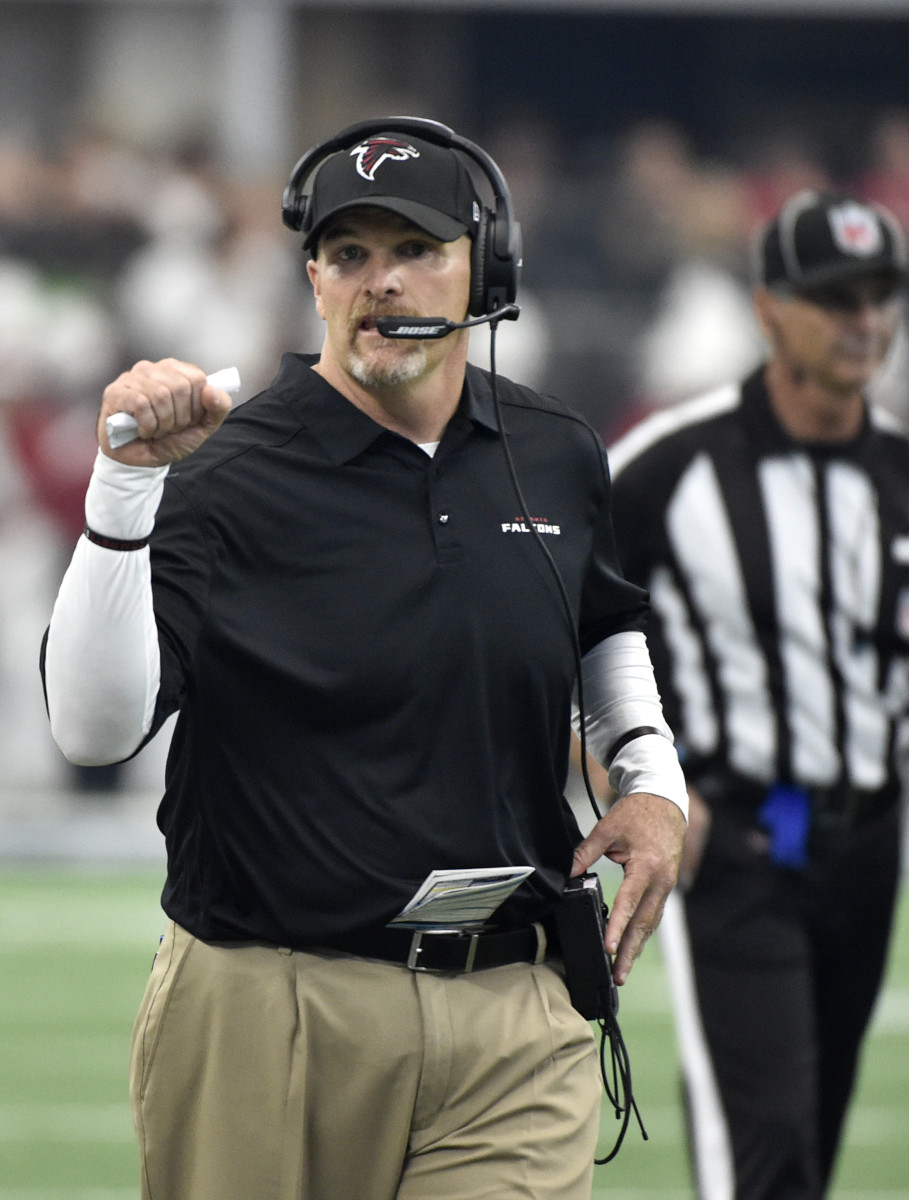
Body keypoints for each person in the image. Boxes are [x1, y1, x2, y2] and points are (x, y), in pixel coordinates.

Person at [40, 116, 687, 1200]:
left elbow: (602, 624)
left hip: (513, 1007)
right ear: (315, 279)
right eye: (350, 254)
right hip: (272, 1004)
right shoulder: (224, 473)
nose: (381, 280)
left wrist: (652, 781)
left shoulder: (555, 450)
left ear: (484, 271)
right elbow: (92, 732)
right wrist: (123, 493)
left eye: (416, 249)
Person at [607, 189, 909, 1200]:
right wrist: (635, 779)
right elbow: (552, 628)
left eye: (879, 296)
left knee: (812, 1140)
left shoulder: (900, 471)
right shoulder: (669, 467)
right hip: (739, 843)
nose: (863, 320)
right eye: (835, 297)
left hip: (870, 844)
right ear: (768, 307)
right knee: (765, 1151)